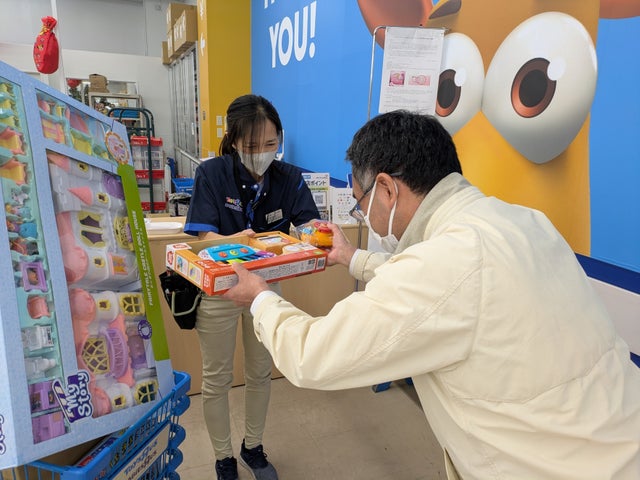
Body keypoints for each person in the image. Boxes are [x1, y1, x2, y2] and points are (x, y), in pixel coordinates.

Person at [223, 110, 640, 479]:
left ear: (387, 189)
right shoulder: (520, 221)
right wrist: (353, 257)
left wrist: (260, 297)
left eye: (360, 203)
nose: (362, 215)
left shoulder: (445, 263)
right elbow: (449, 291)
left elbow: (312, 355)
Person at [184, 94, 319, 480]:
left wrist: (316, 234)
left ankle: (253, 447)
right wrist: (236, 242)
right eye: (252, 145)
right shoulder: (212, 173)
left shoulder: (289, 178)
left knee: (261, 372)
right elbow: (203, 235)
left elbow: (308, 224)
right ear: (234, 141)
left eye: (270, 143)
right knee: (217, 378)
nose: (262, 153)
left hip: (266, 288)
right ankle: (223, 457)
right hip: (220, 289)